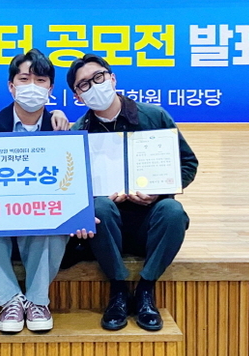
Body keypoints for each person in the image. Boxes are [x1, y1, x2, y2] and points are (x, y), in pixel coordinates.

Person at [66, 54, 198, 332]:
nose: (94, 86)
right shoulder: (79, 132)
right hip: (106, 229)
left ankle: (146, 289)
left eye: (98, 77)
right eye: (84, 85)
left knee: (173, 211)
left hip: (149, 223)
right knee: (99, 208)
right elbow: (72, 186)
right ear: (77, 96)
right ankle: (118, 290)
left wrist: (158, 191)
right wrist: (96, 197)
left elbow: (188, 163)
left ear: (112, 78)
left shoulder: (154, 116)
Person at [0, 48, 70, 333]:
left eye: (40, 80)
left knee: (56, 220)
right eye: (24, 79)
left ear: (50, 89)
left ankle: (37, 301)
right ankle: (10, 299)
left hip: (39, 215)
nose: (32, 86)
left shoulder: (62, 131)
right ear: (11, 86)